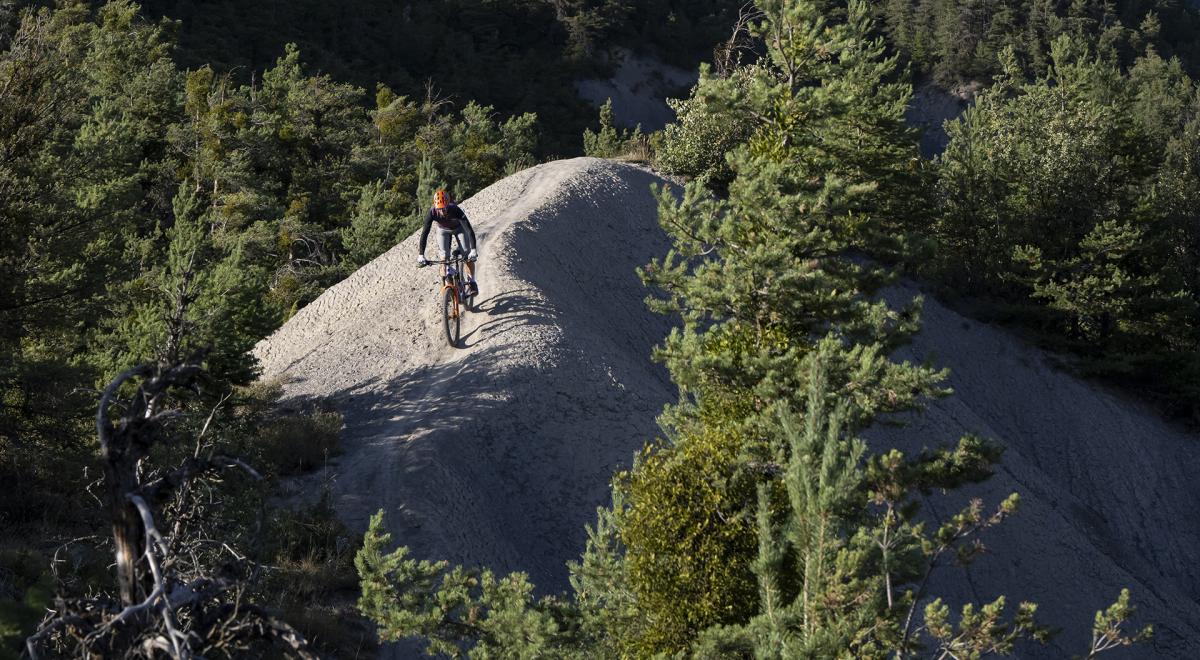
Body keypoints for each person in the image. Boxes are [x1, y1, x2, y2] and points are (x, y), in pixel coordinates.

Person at [416, 189, 478, 295]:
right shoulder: (432, 212)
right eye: (439, 209)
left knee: (466, 254)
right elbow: (424, 233)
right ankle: (448, 287)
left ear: (448, 204)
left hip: (459, 229)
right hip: (443, 230)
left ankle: (472, 281)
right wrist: (421, 255)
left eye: (444, 208)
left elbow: (469, 230)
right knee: (443, 258)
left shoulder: (455, 209)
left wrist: (473, 250)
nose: (442, 211)